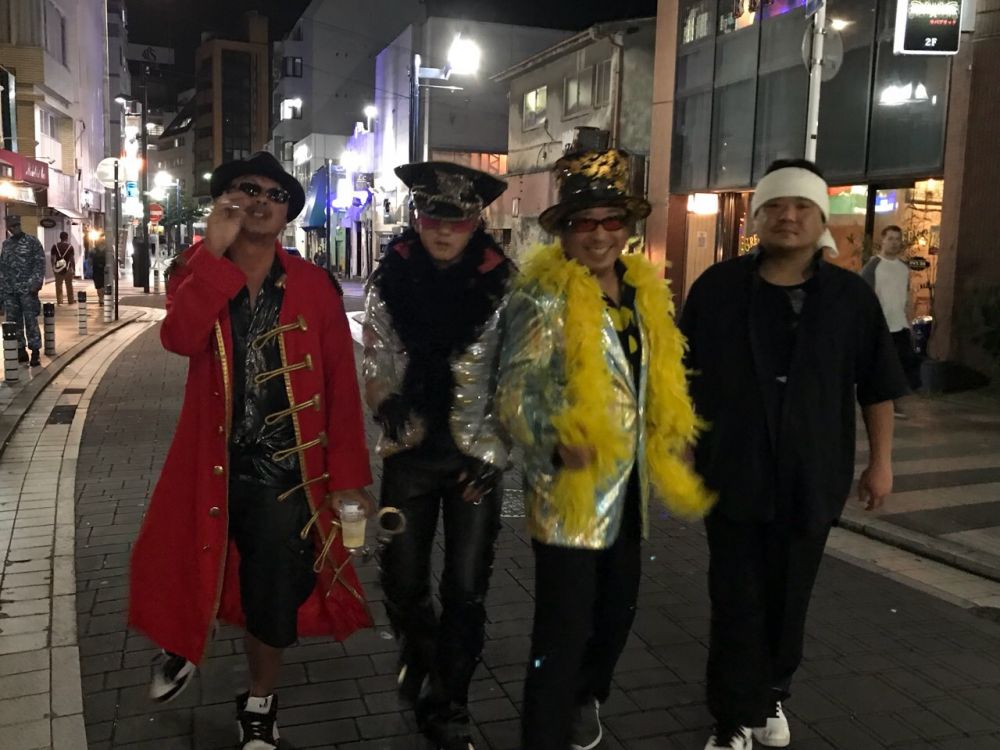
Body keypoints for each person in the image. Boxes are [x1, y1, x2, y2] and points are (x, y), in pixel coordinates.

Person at [128, 152, 374, 750]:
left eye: (275, 193)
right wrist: (212, 252)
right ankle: (184, 645)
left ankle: (260, 702)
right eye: (248, 189)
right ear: (226, 200)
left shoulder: (314, 286)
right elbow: (179, 338)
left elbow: (341, 386)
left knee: (272, 595)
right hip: (208, 461)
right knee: (189, 559)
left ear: (288, 212)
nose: (262, 201)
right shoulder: (196, 270)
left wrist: (347, 478)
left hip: (286, 473)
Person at [679, 159, 908, 750]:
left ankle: (773, 692)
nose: (788, 216)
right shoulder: (718, 289)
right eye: (775, 206)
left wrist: (880, 462)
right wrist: (679, 442)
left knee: (790, 594)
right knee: (735, 597)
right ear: (756, 218)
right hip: (733, 469)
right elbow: (680, 373)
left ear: (821, 219)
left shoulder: (850, 298)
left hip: (813, 473)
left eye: (802, 206)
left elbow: (877, 387)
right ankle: (731, 717)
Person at [496, 149, 713, 750]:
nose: (598, 235)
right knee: (561, 632)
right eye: (583, 222)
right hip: (568, 494)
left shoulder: (643, 293)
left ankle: (586, 696)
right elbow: (512, 392)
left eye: (611, 220)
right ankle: (544, 731)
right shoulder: (540, 298)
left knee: (618, 615)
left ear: (627, 227)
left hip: (631, 491)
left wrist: (671, 433)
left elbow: (653, 378)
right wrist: (553, 436)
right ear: (564, 231)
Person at [362, 161, 513, 750]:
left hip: (476, 460)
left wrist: (497, 450)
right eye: (433, 219)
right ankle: (421, 657)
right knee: (401, 580)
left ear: (476, 223)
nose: (444, 231)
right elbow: (376, 352)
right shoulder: (390, 282)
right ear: (417, 219)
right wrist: (384, 398)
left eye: (458, 220)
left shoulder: (505, 286)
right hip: (409, 454)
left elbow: (518, 376)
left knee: (467, 588)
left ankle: (450, 705)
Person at [861, 225, 921, 416]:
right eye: (890, 239)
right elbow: (864, 297)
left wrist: (910, 322)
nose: (894, 243)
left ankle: (893, 401)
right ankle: (884, 403)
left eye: (897, 239)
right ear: (883, 241)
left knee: (903, 363)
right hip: (881, 325)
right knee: (883, 366)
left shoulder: (903, 268)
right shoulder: (873, 266)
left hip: (900, 325)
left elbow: (906, 297)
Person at [0, 215, 46, 367]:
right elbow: (3, 268)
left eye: (16, 225)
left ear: (20, 225)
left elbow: (40, 264)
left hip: (27, 290)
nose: (14, 229)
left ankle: (35, 351)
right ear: (8, 228)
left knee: (31, 321)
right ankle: (20, 350)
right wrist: (2, 292)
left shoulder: (32, 242)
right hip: (10, 291)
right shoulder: (6, 244)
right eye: (11, 227)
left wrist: (35, 284)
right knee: (14, 322)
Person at [51, 231, 76, 305]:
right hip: (68, 268)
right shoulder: (70, 247)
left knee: (58, 286)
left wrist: (53, 267)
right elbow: (72, 259)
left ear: (60, 237)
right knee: (69, 285)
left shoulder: (55, 246)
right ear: (67, 237)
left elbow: (52, 258)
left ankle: (60, 301)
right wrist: (74, 269)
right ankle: (70, 300)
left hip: (58, 268)